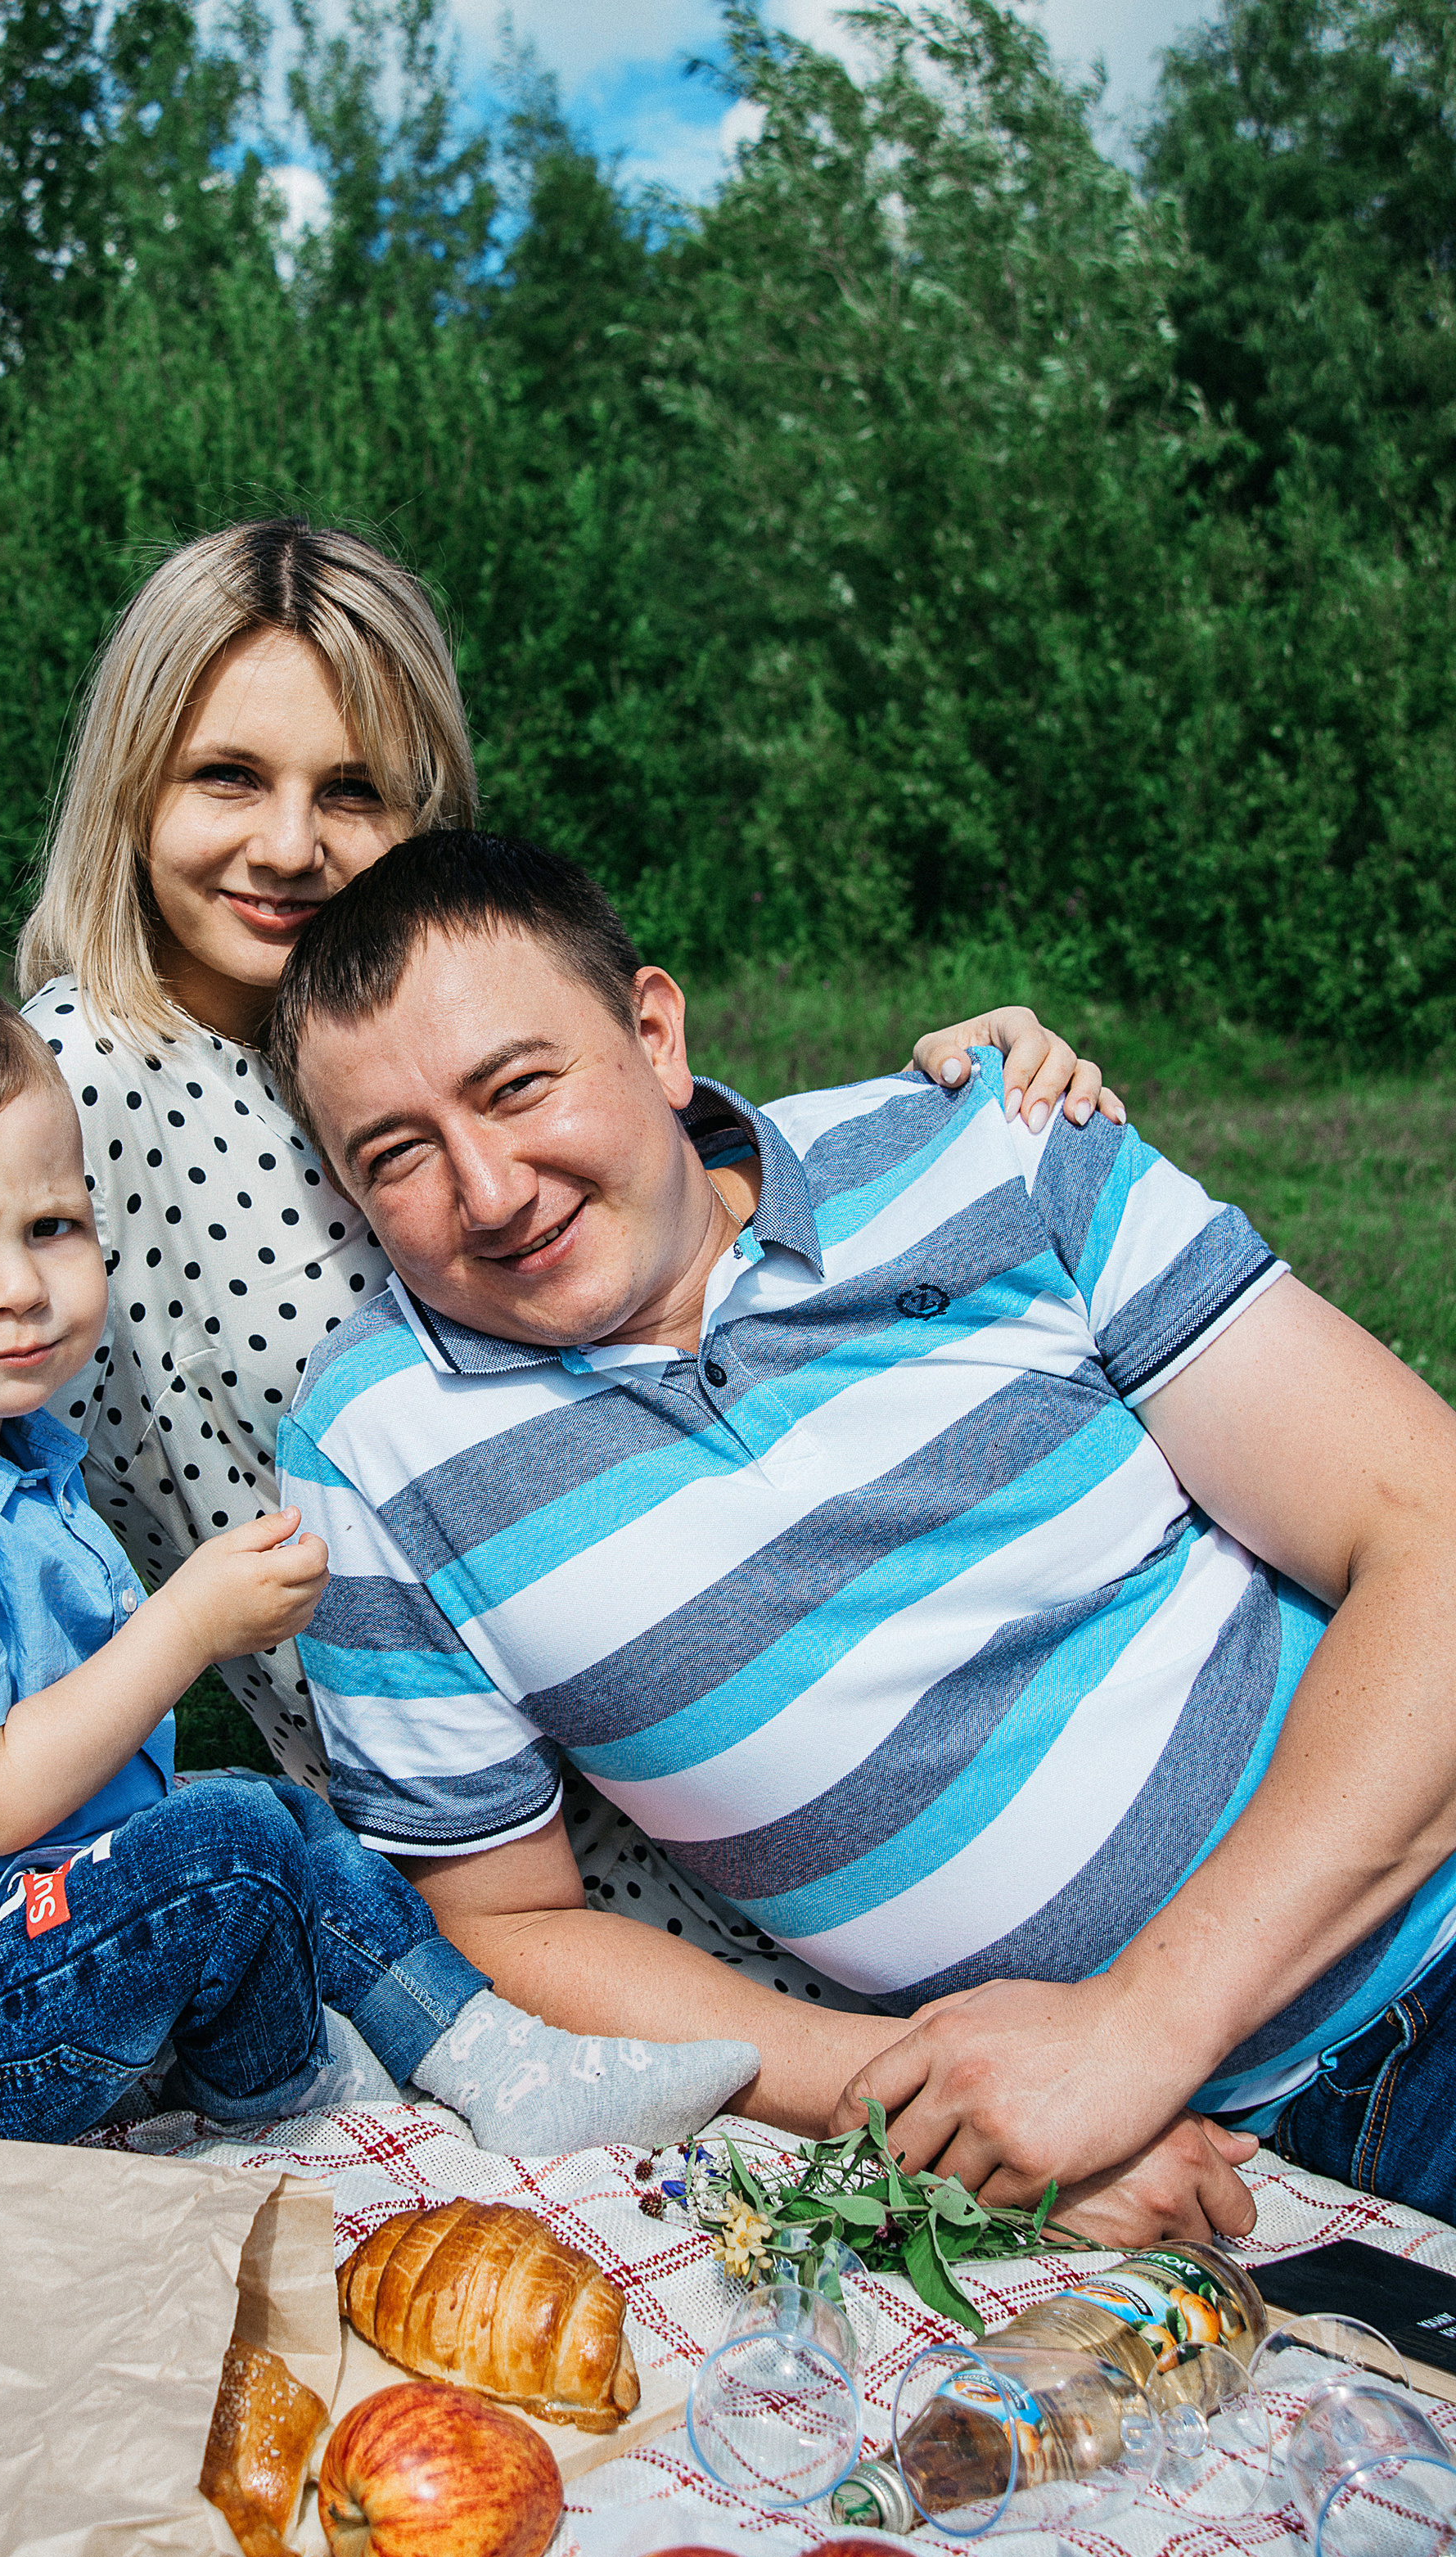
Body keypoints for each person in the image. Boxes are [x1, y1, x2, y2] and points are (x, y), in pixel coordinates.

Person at [0, 516, 1122, 2060]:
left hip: (733, 1700)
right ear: (132, 788)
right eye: (228, 775)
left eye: (350, 790)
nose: (288, 845)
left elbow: (670, 1231)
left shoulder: (405, 1040)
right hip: (510, 1859)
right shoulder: (89, 1094)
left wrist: (925, 1106)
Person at [269, 830, 1456, 2244]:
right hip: (1215, 2152)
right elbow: (505, 1925)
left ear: (653, 1033)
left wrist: (1140, 2029)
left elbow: (1426, 1523)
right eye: (396, 1155)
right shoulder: (375, 1453)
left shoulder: (988, 1141)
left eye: (518, 1087)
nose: (492, 1191)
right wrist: (940, 2111)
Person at [0, 964, 764, 2151]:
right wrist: (185, 1625)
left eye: (52, 1227)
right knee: (218, 1852)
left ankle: (495, 2060)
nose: (19, 1289)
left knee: (272, 1815)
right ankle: (283, 2102)